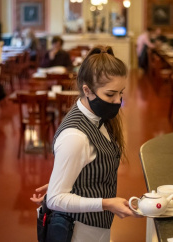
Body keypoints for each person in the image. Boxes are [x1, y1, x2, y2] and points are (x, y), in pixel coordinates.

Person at [31, 46, 138, 241]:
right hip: (80, 230)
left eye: (121, 94)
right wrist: (106, 204)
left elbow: (85, 165)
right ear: (87, 90)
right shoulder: (76, 136)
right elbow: (55, 199)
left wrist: (70, 178)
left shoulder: (98, 115)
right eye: (110, 95)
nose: (118, 101)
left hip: (97, 225)